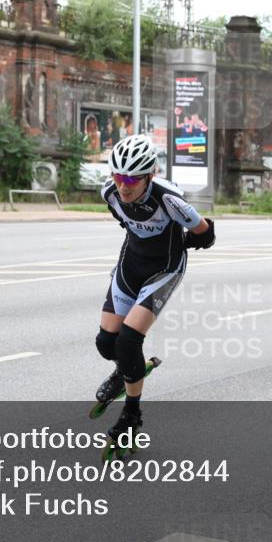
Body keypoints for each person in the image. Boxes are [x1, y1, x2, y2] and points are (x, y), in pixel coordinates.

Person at [94, 134, 215, 449]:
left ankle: (132, 414)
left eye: (133, 178)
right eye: (119, 176)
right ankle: (127, 369)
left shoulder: (170, 200)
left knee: (129, 340)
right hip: (131, 265)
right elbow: (128, 226)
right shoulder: (110, 194)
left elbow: (207, 234)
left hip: (164, 269)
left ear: (150, 175)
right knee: (107, 344)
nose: (124, 185)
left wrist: (178, 243)